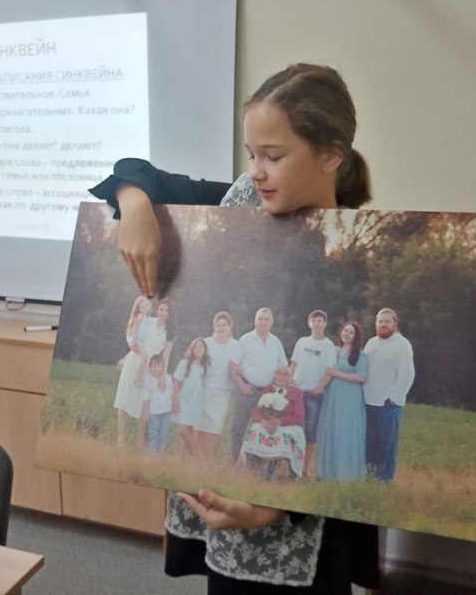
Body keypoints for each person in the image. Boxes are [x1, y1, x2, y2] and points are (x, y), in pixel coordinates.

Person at [90, 63, 379, 593]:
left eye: (274, 156)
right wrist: (134, 207)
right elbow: (133, 170)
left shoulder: (349, 250)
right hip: (226, 515)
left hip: (304, 537)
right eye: (252, 155)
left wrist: (274, 509)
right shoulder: (238, 206)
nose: (257, 172)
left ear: (331, 154)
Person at [113, 296, 176, 447]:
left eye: (166, 310)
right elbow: (132, 332)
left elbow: (166, 355)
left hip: (151, 367)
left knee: (143, 406)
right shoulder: (148, 321)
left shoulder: (170, 332)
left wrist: (162, 375)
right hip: (136, 359)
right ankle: (120, 439)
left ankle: (141, 441)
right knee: (125, 401)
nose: (163, 312)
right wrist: (131, 345)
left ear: (170, 313)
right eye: (161, 309)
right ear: (158, 310)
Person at [229, 307, 288, 463]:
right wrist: (241, 385)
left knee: (260, 430)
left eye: (266, 319)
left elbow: (283, 369)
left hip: (266, 395)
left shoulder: (276, 343)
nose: (263, 322)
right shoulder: (245, 340)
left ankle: (254, 466)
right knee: (238, 429)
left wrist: (275, 393)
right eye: (260, 318)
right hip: (246, 390)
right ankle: (234, 462)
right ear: (254, 320)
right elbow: (233, 366)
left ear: (272, 322)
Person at [363, 308, 415, 482]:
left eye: (387, 321)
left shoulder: (402, 344)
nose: (383, 324)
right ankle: (370, 479)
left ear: (395, 323)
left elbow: (407, 373)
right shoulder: (371, 343)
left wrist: (394, 396)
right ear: (376, 323)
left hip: (388, 404)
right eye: (380, 321)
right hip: (368, 402)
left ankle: (384, 483)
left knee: (387, 445)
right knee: (370, 445)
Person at [318, 322, 369, 481]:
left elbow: (361, 377)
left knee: (345, 433)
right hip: (332, 397)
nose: (347, 334)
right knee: (331, 430)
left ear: (356, 337)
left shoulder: (360, 356)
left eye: (351, 332)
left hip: (349, 400)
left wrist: (337, 373)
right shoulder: (334, 350)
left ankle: (347, 475)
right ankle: (328, 474)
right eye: (345, 330)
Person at [289, 309, 337, 478]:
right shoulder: (302, 342)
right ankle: (291, 468)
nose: (317, 324)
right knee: (293, 430)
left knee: (309, 432)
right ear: (309, 324)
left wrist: (318, 388)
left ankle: (302, 470)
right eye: (314, 321)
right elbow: (293, 365)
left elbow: (330, 371)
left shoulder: (329, 345)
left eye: (320, 321)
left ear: (325, 324)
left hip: (314, 396)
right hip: (296, 393)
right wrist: (291, 384)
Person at [239, 365, 306, 480]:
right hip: (267, 424)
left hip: (286, 426)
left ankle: (275, 468)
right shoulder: (268, 390)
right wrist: (264, 422)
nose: (281, 377)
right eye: (279, 374)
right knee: (255, 430)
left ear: (289, 377)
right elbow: (256, 411)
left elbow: (299, 417)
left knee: (289, 435)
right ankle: (255, 467)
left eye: (285, 374)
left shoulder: (296, 392)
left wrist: (279, 422)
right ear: (275, 375)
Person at [196, 311, 240, 456]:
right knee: (200, 426)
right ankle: (200, 457)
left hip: (223, 391)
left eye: (224, 325)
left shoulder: (236, 345)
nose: (221, 328)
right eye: (219, 325)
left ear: (229, 327)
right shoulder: (207, 342)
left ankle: (211, 458)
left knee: (216, 427)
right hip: (204, 389)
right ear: (214, 327)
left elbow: (239, 367)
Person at [172, 337, 210, 454]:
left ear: (204, 350)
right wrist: (175, 400)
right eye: (196, 347)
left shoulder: (206, 367)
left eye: (201, 347)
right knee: (182, 430)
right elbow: (177, 383)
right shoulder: (184, 363)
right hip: (183, 400)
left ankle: (182, 460)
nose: (198, 349)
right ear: (192, 349)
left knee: (188, 431)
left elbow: (204, 385)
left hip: (196, 401)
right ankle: (195, 452)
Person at [145, 354, 174, 455]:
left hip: (166, 411)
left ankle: (160, 455)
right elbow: (147, 398)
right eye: (154, 366)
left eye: (159, 366)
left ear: (163, 367)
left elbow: (171, 393)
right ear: (150, 368)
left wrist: (173, 407)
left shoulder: (168, 379)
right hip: (154, 413)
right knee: (154, 434)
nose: (156, 369)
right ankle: (152, 456)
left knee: (164, 434)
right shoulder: (149, 381)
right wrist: (146, 412)